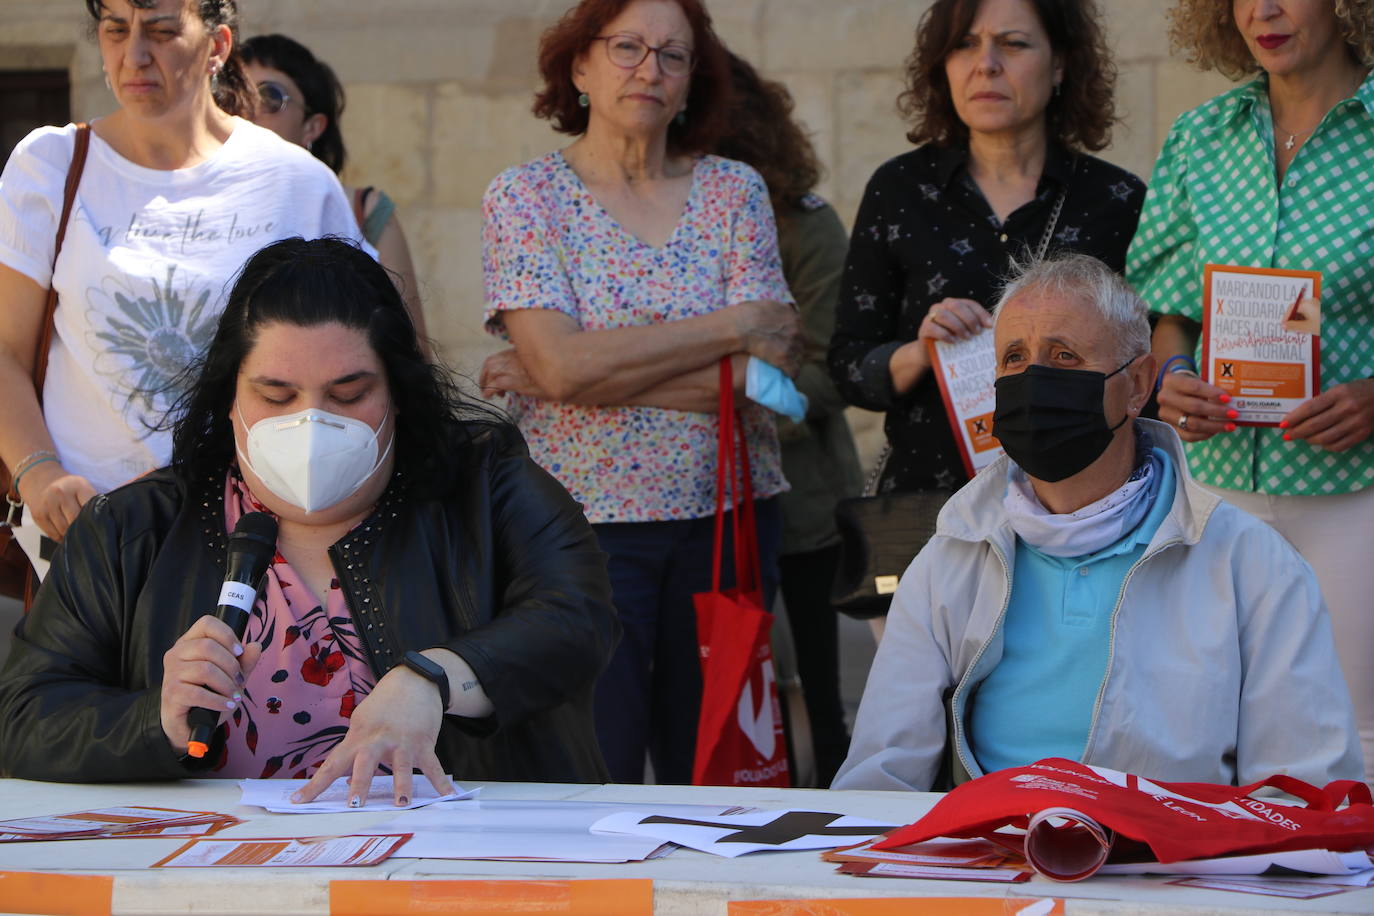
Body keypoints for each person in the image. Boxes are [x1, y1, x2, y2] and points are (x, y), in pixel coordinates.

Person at [0, 237, 619, 798]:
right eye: (276, 396)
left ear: (399, 394)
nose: (311, 420)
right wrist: (151, 718)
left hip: (450, 871)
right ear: (230, 396)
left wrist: (436, 678)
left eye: (349, 395)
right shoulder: (135, 527)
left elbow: (578, 617)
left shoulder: (486, 485)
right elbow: (24, 717)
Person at [833, 254, 1362, 792]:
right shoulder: (954, 552)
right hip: (996, 860)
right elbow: (879, 777)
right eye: (1014, 357)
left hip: (1174, 863)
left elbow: (1303, 789)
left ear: (1137, 384)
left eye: (1064, 356)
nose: (1034, 379)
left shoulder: (1250, 563)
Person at [477, 0, 802, 784]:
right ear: (579, 67)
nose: (649, 69)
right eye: (626, 47)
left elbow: (769, 382)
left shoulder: (735, 192)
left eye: (673, 55)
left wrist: (581, 370)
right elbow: (558, 370)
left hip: (725, 523)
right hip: (581, 530)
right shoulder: (526, 198)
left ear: (693, 82)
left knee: (720, 775)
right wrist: (731, 325)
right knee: (596, 765)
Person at [0, 0, 365, 553]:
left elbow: (360, 356)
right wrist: (39, 472)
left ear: (217, 46)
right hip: (85, 530)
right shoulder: (50, 164)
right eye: (116, 30)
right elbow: (4, 348)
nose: (135, 55)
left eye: (163, 32)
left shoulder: (296, 181)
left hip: (256, 535)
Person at [826, 0, 1145, 629]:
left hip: (1079, 523)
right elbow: (844, 365)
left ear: (1061, 66)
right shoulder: (899, 191)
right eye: (965, 46)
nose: (986, 65)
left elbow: (1142, 363)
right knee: (922, 718)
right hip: (931, 515)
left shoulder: (1115, 199)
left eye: (1014, 45)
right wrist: (918, 352)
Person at [1127, 0, 1374, 786]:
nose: (1261, 10)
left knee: (1355, 740)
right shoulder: (1202, 138)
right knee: (1197, 733)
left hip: (1353, 491)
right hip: (1214, 487)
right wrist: (1170, 378)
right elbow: (1166, 307)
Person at [714, 51, 861, 787]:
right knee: (724, 685)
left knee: (818, 695)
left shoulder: (804, 225)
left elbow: (830, 372)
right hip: (697, 501)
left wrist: (730, 393)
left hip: (799, 501)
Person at [240, 33, 429, 347]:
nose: (246, 109)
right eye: (233, 93)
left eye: (270, 97)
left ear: (312, 127)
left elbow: (411, 348)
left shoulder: (362, 210)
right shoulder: (186, 202)